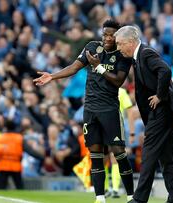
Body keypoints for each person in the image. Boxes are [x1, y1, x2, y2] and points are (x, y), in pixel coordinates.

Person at [34, 20, 134, 203]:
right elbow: (74, 67)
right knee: (95, 155)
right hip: (90, 109)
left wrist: (99, 67)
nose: (107, 38)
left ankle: (131, 196)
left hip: (110, 109)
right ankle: (100, 198)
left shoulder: (123, 55)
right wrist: (52, 76)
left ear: (118, 36)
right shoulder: (92, 47)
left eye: (111, 35)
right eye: (104, 34)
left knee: (119, 153)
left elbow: (119, 81)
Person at [112, 25, 173, 203]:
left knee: (149, 153)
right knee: (166, 157)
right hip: (161, 113)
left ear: (130, 42)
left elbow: (165, 70)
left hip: (162, 112)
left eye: (120, 44)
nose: (119, 48)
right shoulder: (138, 56)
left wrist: (160, 95)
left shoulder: (145, 53)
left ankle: (140, 199)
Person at [0, 119, 44, 189]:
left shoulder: (0, 139)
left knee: (1, 187)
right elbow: (30, 151)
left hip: (3, 165)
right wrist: (41, 157)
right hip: (15, 165)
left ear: (5, 128)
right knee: (19, 187)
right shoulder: (19, 138)